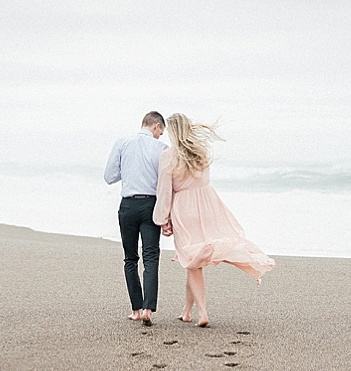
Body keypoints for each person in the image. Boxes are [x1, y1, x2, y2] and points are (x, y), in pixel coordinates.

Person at [153, 113, 274, 327]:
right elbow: (204, 180)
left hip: (184, 207)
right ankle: (187, 311)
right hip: (207, 204)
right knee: (193, 260)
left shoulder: (168, 156)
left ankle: (203, 312)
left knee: (192, 262)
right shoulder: (200, 152)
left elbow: (165, 190)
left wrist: (162, 218)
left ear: (172, 132)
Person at [104, 111, 168, 326]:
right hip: (151, 205)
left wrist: (130, 169)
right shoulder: (162, 149)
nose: (160, 136)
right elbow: (165, 183)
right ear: (157, 126)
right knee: (151, 257)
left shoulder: (122, 143)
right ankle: (149, 308)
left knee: (130, 258)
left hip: (128, 205)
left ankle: (136, 309)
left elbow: (109, 177)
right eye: (161, 132)